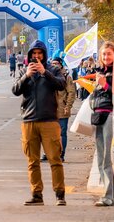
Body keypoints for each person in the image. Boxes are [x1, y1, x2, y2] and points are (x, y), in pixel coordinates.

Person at [12, 40, 66, 206]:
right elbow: (15, 90)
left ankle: (60, 195)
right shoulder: (23, 70)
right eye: (34, 54)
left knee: (54, 159)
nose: (36, 57)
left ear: (44, 55)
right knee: (32, 161)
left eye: (39, 53)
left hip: (49, 120)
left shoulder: (53, 69)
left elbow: (61, 85)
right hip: (29, 121)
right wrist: (26, 76)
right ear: (29, 56)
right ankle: (37, 194)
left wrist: (45, 73)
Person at [82, 41, 114, 206]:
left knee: (106, 158)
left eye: (109, 54)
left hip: (109, 116)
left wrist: (104, 84)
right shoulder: (100, 72)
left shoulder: (113, 73)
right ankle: (109, 194)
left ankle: (109, 196)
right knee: (102, 156)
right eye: (103, 54)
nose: (106, 57)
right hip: (97, 117)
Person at [47, 57, 74, 164]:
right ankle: (49, 153)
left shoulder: (66, 76)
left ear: (61, 64)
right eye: (52, 63)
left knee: (62, 132)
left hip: (62, 108)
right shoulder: (48, 74)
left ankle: (61, 155)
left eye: (56, 63)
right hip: (50, 109)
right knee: (49, 132)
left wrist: (68, 106)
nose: (54, 65)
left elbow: (71, 93)